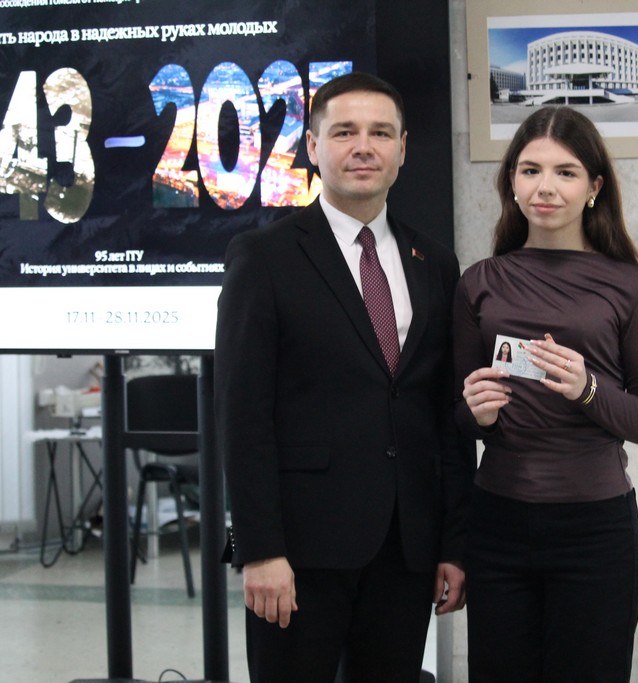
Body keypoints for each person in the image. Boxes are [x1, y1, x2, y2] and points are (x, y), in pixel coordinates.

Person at [215, 71, 471, 683]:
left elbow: (446, 415)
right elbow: (242, 415)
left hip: (406, 549)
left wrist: (453, 544)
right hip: (299, 552)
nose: (364, 147)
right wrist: (260, 550)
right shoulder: (264, 258)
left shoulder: (434, 262)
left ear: (402, 149)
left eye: (380, 133)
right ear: (312, 145)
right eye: (344, 132)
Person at [454, 106, 638, 682]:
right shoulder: (478, 282)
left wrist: (588, 389)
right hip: (497, 524)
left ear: (594, 187)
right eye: (530, 170)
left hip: (595, 531)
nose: (545, 187)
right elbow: (456, 417)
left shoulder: (630, 286)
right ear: (511, 181)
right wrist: (475, 414)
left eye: (565, 172)